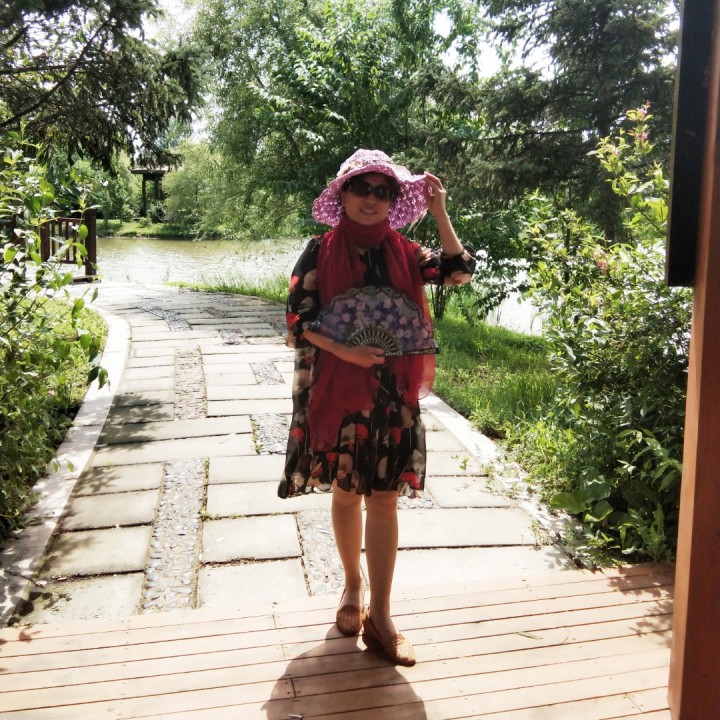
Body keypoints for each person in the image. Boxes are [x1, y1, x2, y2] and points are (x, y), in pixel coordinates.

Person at [278, 149, 475, 666]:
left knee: (384, 499)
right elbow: (299, 320)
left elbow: (458, 272)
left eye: (383, 192)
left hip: (393, 392)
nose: (371, 199)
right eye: (361, 189)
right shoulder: (319, 251)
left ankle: (382, 616)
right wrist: (347, 350)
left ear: (393, 201)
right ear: (342, 194)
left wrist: (439, 210)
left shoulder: (407, 252)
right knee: (346, 493)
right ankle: (352, 586)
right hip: (340, 386)